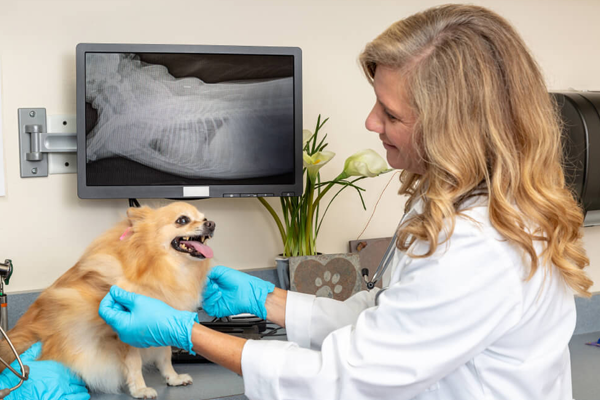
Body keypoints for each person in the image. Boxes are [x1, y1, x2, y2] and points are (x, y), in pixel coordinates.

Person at [8, 3, 593, 399]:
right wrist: (271, 299)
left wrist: (189, 334)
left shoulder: (480, 245)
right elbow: (384, 322)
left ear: (455, 127)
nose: (370, 122)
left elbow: (346, 377)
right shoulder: (453, 208)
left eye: (390, 114)